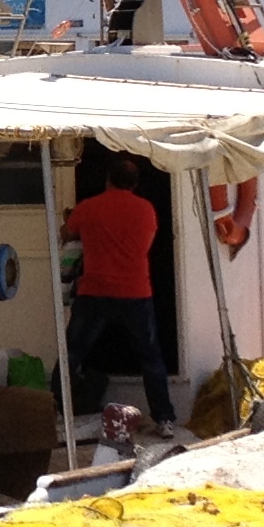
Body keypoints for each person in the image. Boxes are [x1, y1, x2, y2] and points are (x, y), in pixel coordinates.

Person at [61, 150, 176, 430]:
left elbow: (66, 234)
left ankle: (57, 412)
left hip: (95, 291)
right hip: (136, 292)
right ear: (135, 184)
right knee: (151, 358)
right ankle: (163, 420)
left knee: (72, 353)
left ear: (108, 179)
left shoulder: (89, 207)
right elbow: (145, 244)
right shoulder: (146, 210)